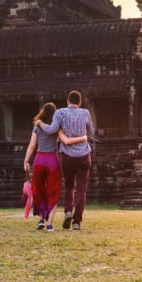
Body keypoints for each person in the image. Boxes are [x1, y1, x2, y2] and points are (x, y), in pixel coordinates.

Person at [23, 102, 86, 231]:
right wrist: (82, 138)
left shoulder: (37, 127)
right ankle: (50, 224)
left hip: (39, 159)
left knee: (39, 190)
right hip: (52, 160)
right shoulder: (57, 128)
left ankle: (41, 220)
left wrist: (26, 160)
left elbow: (31, 145)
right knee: (53, 191)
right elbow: (66, 141)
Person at [36, 90, 93, 230]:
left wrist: (39, 123)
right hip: (84, 155)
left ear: (68, 101)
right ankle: (77, 222)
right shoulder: (86, 113)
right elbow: (90, 131)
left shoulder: (60, 112)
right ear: (79, 102)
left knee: (69, 186)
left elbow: (51, 130)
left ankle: (68, 211)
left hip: (67, 157)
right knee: (81, 189)